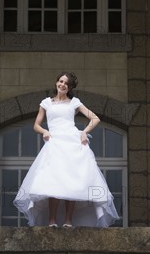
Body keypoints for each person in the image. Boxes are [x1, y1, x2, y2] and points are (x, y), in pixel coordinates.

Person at [13, 72, 119, 227]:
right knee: (54, 181)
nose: (62, 85)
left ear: (69, 88)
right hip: (55, 142)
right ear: (56, 82)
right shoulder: (46, 103)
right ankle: (52, 220)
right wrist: (45, 131)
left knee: (73, 182)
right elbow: (36, 125)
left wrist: (84, 132)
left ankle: (69, 220)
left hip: (73, 142)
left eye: (66, 84)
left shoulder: (74, 102)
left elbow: (95, 118)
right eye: (60, 81)